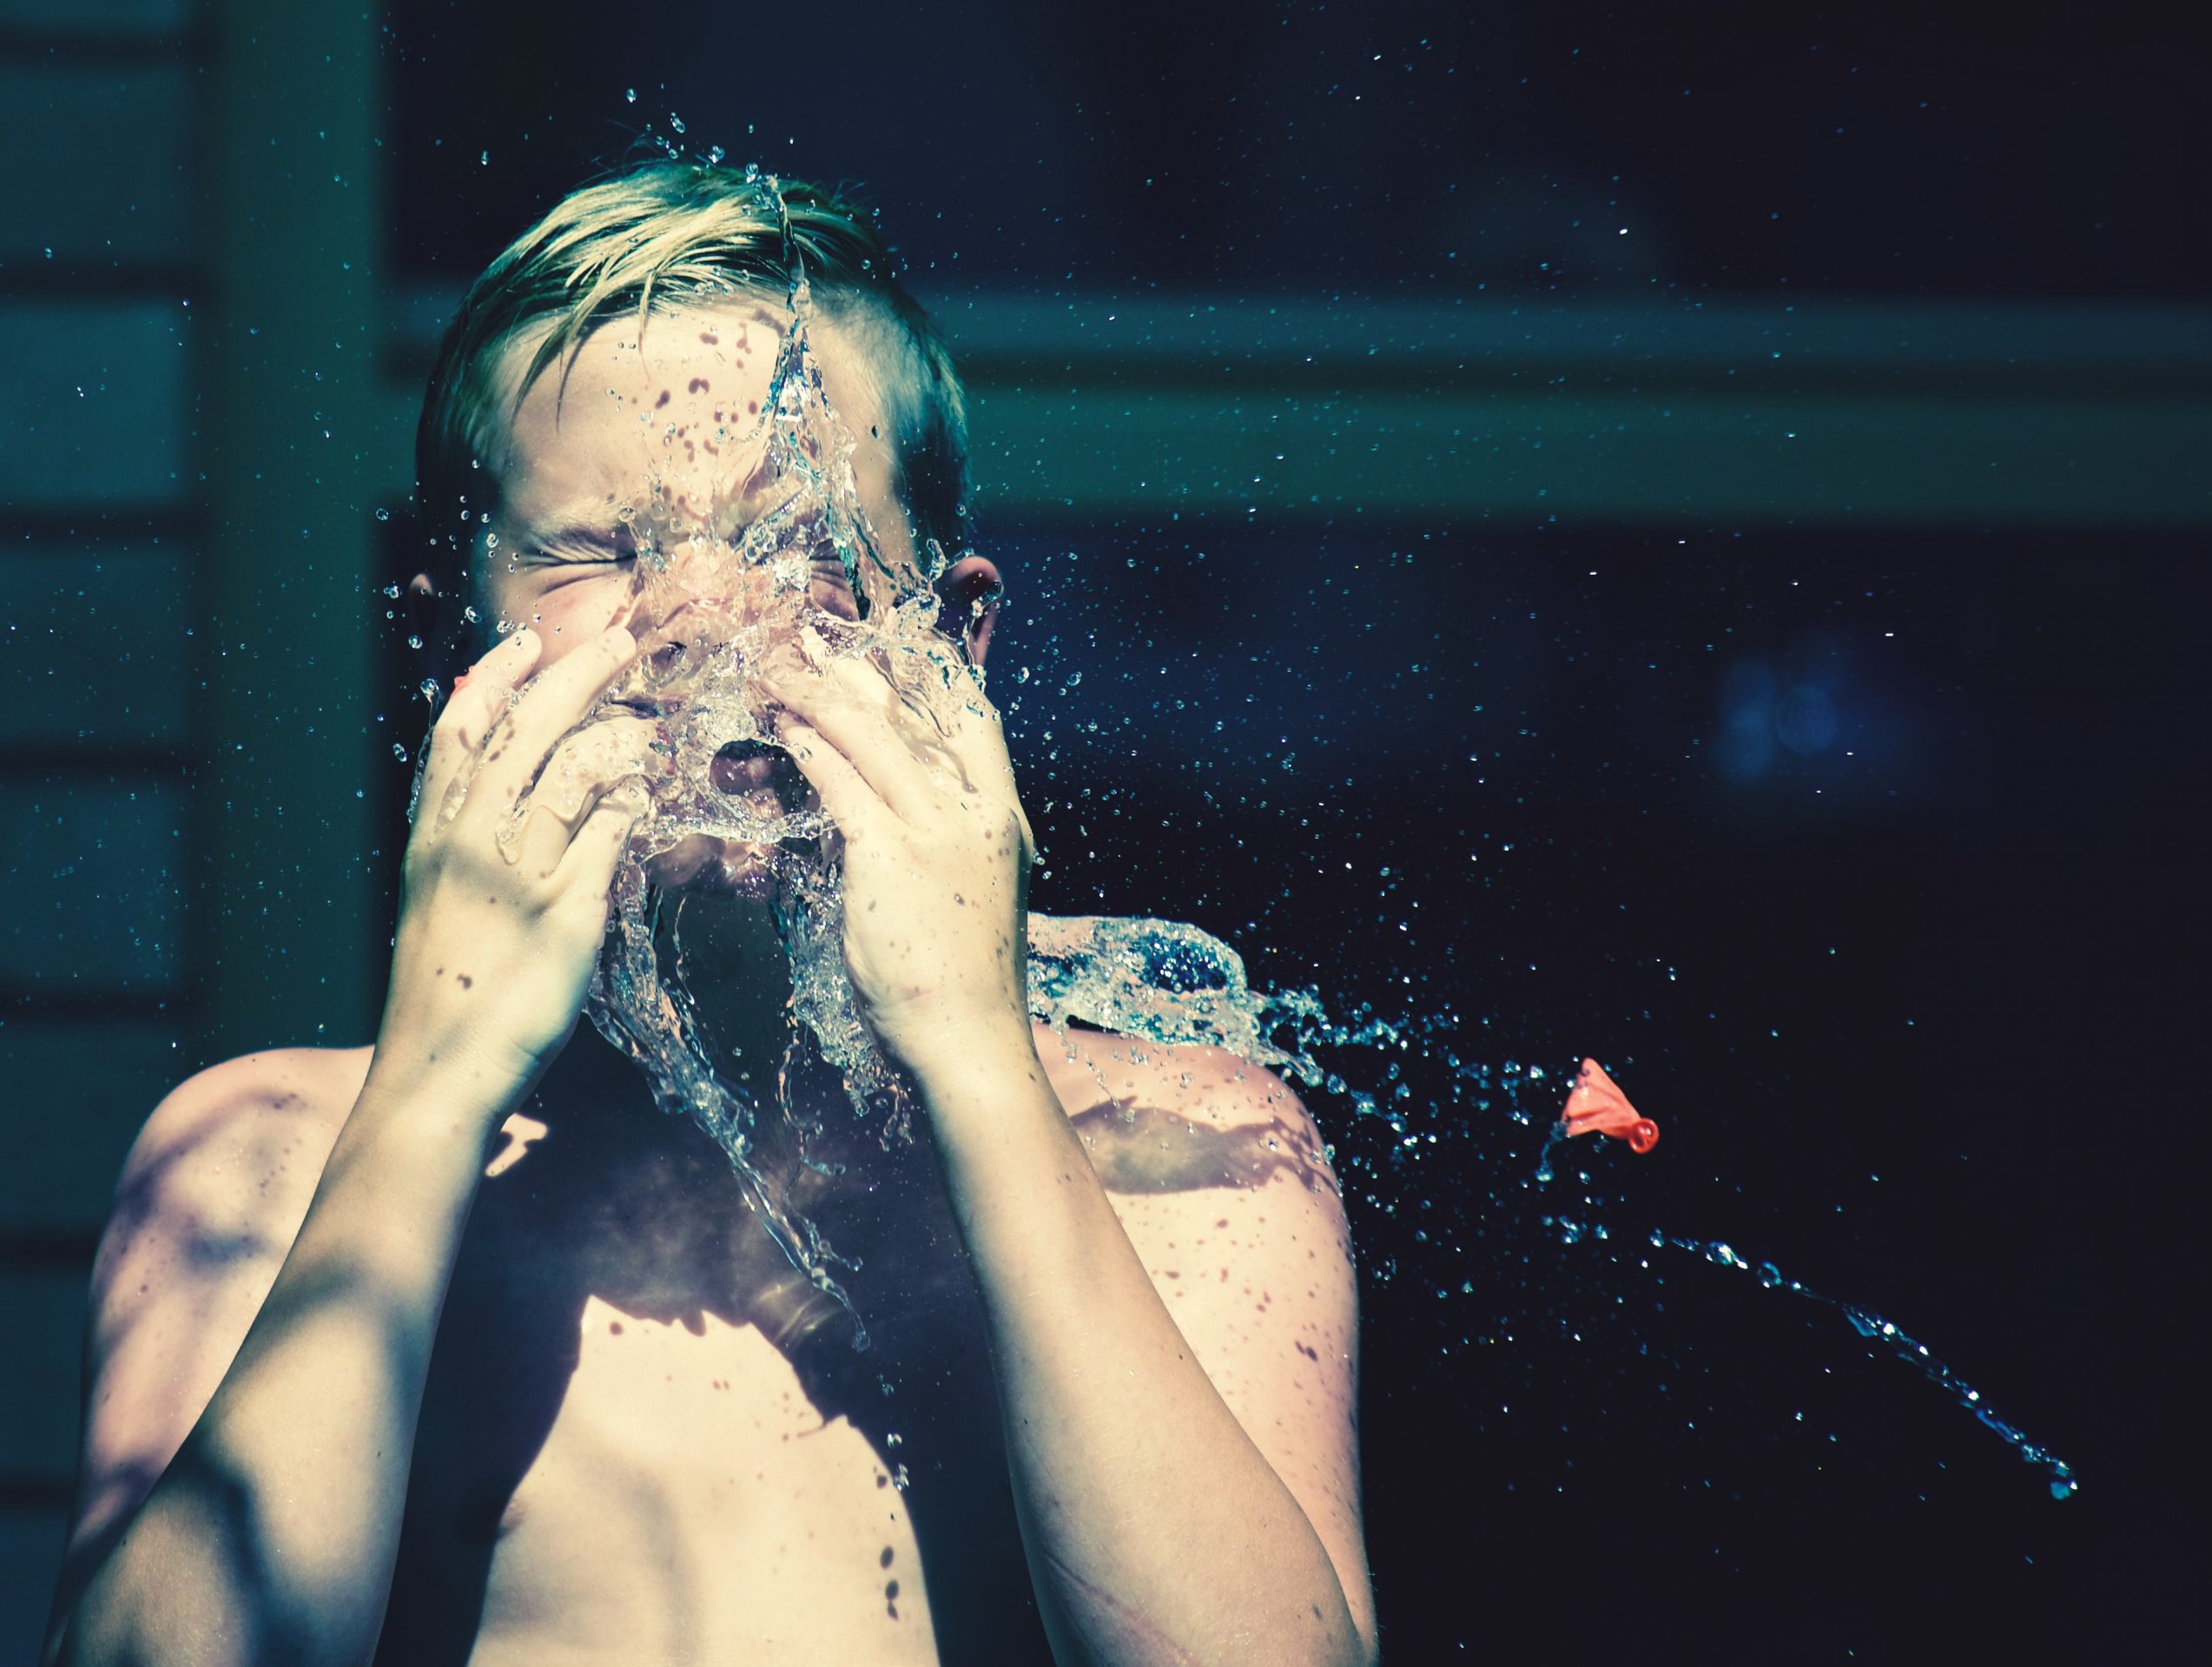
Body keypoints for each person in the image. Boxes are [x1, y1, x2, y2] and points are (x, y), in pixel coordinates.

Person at [40, 162, 1377, 1667]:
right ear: (445, 637)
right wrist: (433, 1082)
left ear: (953, 643)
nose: (693, 615)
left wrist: (980, 1055)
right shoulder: (268, 1165)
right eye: (600, 551)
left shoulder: (1182, 1157)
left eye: (794, 543)